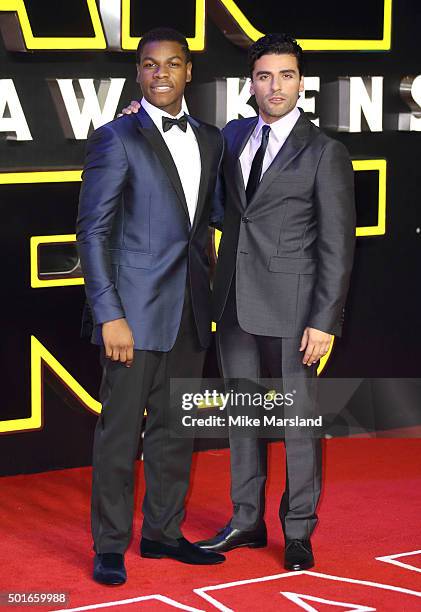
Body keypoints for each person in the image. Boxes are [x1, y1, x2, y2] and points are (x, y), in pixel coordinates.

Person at [120, 32, 356, 571]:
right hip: (230, 301)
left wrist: (326, 321)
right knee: (243, 417)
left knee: (296, 421)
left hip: (296, 307)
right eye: (265, 76)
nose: (276, 86)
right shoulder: (232, 135)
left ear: (301, 83)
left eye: (287, 76)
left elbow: (338, 246)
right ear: (251, 84)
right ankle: (246, 518)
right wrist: (140, 117)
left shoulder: (325, 152)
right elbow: (215, 203)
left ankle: (297, 529)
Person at [76, 27, 225, 586]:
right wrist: (109, 313)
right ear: (138, 73)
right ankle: (109, 545)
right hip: (131, 318)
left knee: (174, 430)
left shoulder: (210, 139)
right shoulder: (116, 138)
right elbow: (91, 233)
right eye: (149, 65)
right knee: (119, 433)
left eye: (172, 64)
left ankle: (162, 532)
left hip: (190, 310)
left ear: (189, 72)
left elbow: (206, 227)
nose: (161, 72)